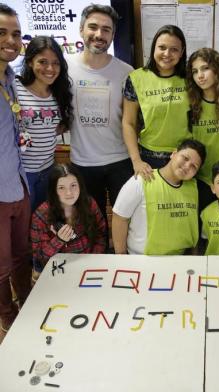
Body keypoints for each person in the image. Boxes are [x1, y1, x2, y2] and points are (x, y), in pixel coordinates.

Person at [67, 4, 134, 225]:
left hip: (120, 160)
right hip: (83, 161)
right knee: (91, 223)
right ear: (81, 30)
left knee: (126, 218)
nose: (99, 34)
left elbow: (131, 119)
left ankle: (124, 259)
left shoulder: (126, 72)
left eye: (106, 30)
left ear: (113, 35)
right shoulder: (64, 69)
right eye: (93, 27)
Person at [112, 139, 206, 255]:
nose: (187, 166)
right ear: (174, 154)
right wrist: (120, 255)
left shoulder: (194, 188)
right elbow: (119, 217)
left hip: (180, 259)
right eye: (185, 158)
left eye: (194, 166)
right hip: (142, 259)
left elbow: (192, 226)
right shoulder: (142, 180)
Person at [122, 25, 191, 179]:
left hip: (184, 156)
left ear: (182, 52)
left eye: (174, 49)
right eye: (162, 47)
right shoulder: (136, 78)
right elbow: (128, 123)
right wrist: (136, 161)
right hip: (149, 159)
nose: (167, 54)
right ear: (154, 48)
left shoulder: (191, 78)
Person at [0, 3, 31, 334]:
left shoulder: (10, 79)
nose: (10, 41)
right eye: (2, 33)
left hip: (19, 184)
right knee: (2, 265)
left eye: (16, 34)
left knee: (23, 255)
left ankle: (28, 301)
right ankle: (7, 316)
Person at [15, 36, 73, 212]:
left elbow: (60, 125)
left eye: (55, 63)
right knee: (22, 225)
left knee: (42, 222)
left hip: (48, 171)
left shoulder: (59, 92)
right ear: (30, 62)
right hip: (21, 174)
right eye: (42, 62)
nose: (50, 68)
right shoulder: (15, 88)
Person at [30, 164, 106, 268]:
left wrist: (93, 260)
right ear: (54, 191)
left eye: (73, 185)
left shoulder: (89, 203)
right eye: (61, 188)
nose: (69, 192)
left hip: (88, 263)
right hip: (59, 267)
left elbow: (101, 236)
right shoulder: (41, 215)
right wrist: (58, 240)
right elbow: (39, 259)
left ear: (80, 185)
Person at [186, 47, 219, 212]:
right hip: (201, 178)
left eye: (205, 68)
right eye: (195, 71)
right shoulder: (190, 105)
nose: (200, 75)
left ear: (217, 69)